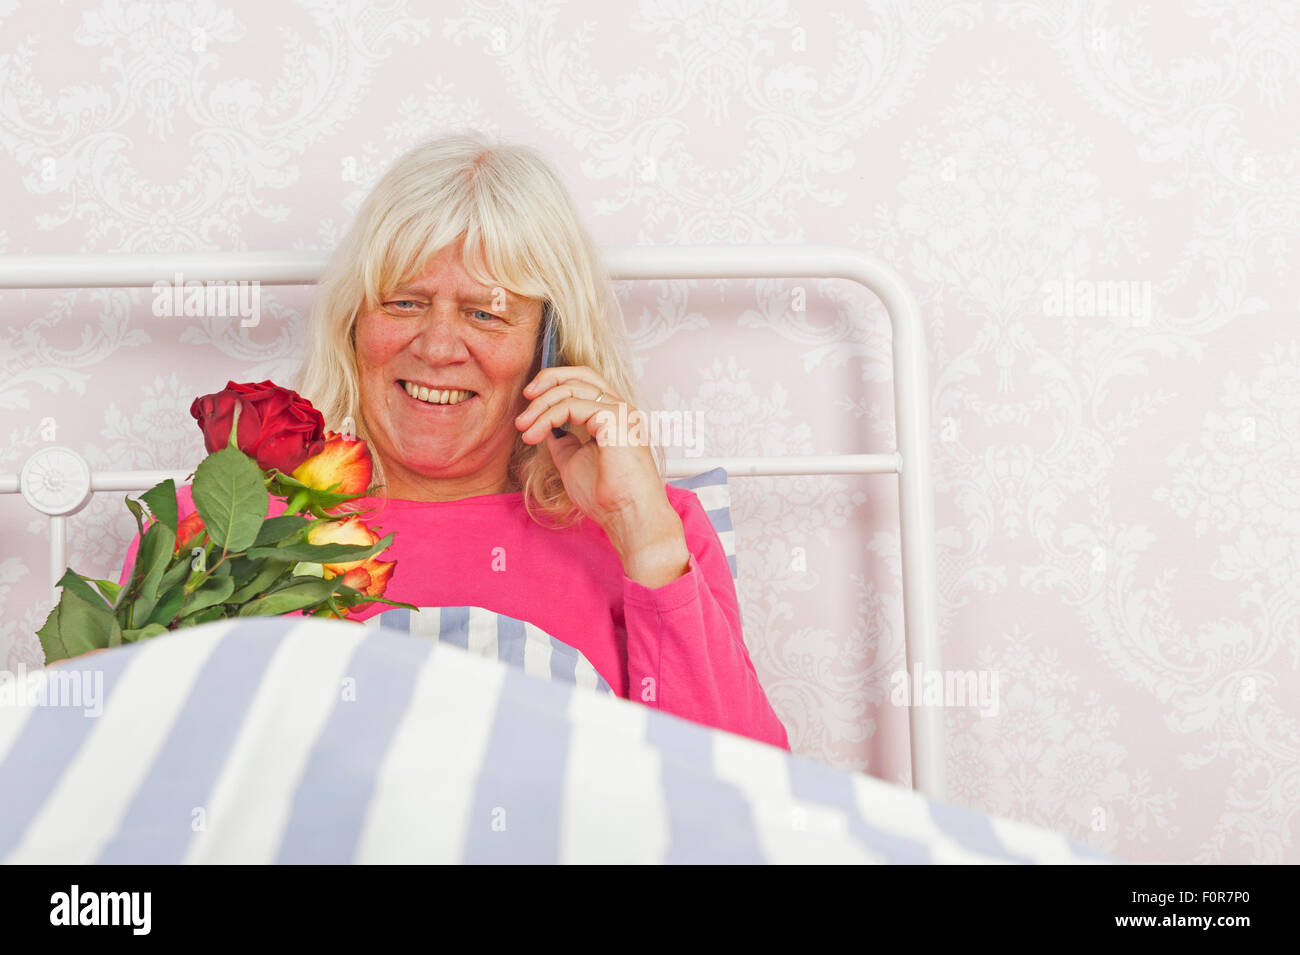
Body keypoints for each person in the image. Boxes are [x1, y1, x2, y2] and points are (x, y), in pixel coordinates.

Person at [120, 133, 788, 751]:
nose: (438, 347)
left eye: (485, 313)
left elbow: (747, 800)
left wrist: (644, 537)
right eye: (404, 303)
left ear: (547, 348)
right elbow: (120, 781)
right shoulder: (217, 528)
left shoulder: (658, 535)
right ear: (353, 322)